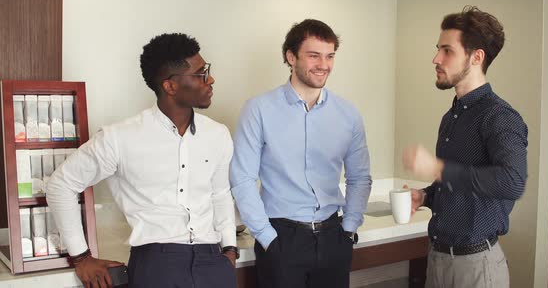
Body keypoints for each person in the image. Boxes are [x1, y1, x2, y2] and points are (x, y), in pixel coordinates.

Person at [46, 33, 238, 288]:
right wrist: (81, 257)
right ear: (170, 86)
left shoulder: (218, 134)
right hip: (157, 267)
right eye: (200, 74)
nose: (210, 79)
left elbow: (220, 193)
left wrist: (230, 249)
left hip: (213, 263)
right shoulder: (119, 138)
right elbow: (61, 184)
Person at [230, 19, 372, 288]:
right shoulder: (258, 110)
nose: (324, 64)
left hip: (334, 237)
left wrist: (349, 228)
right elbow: (242, 179)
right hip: (282, 238)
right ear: (291, 57)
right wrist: (266, 237)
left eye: (330, 56)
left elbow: (360, 177)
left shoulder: (348, 114)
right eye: (314, 55)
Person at [402, 6, 528, 287]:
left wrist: (438, 168)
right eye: (438, 49)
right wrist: (424, 197)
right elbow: (457, 188)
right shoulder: (452, 117)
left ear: (476, 57)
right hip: (437, 260)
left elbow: (512, 182)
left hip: (477, 268)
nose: (436, 58)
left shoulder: (499, 117)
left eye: (447, 50)